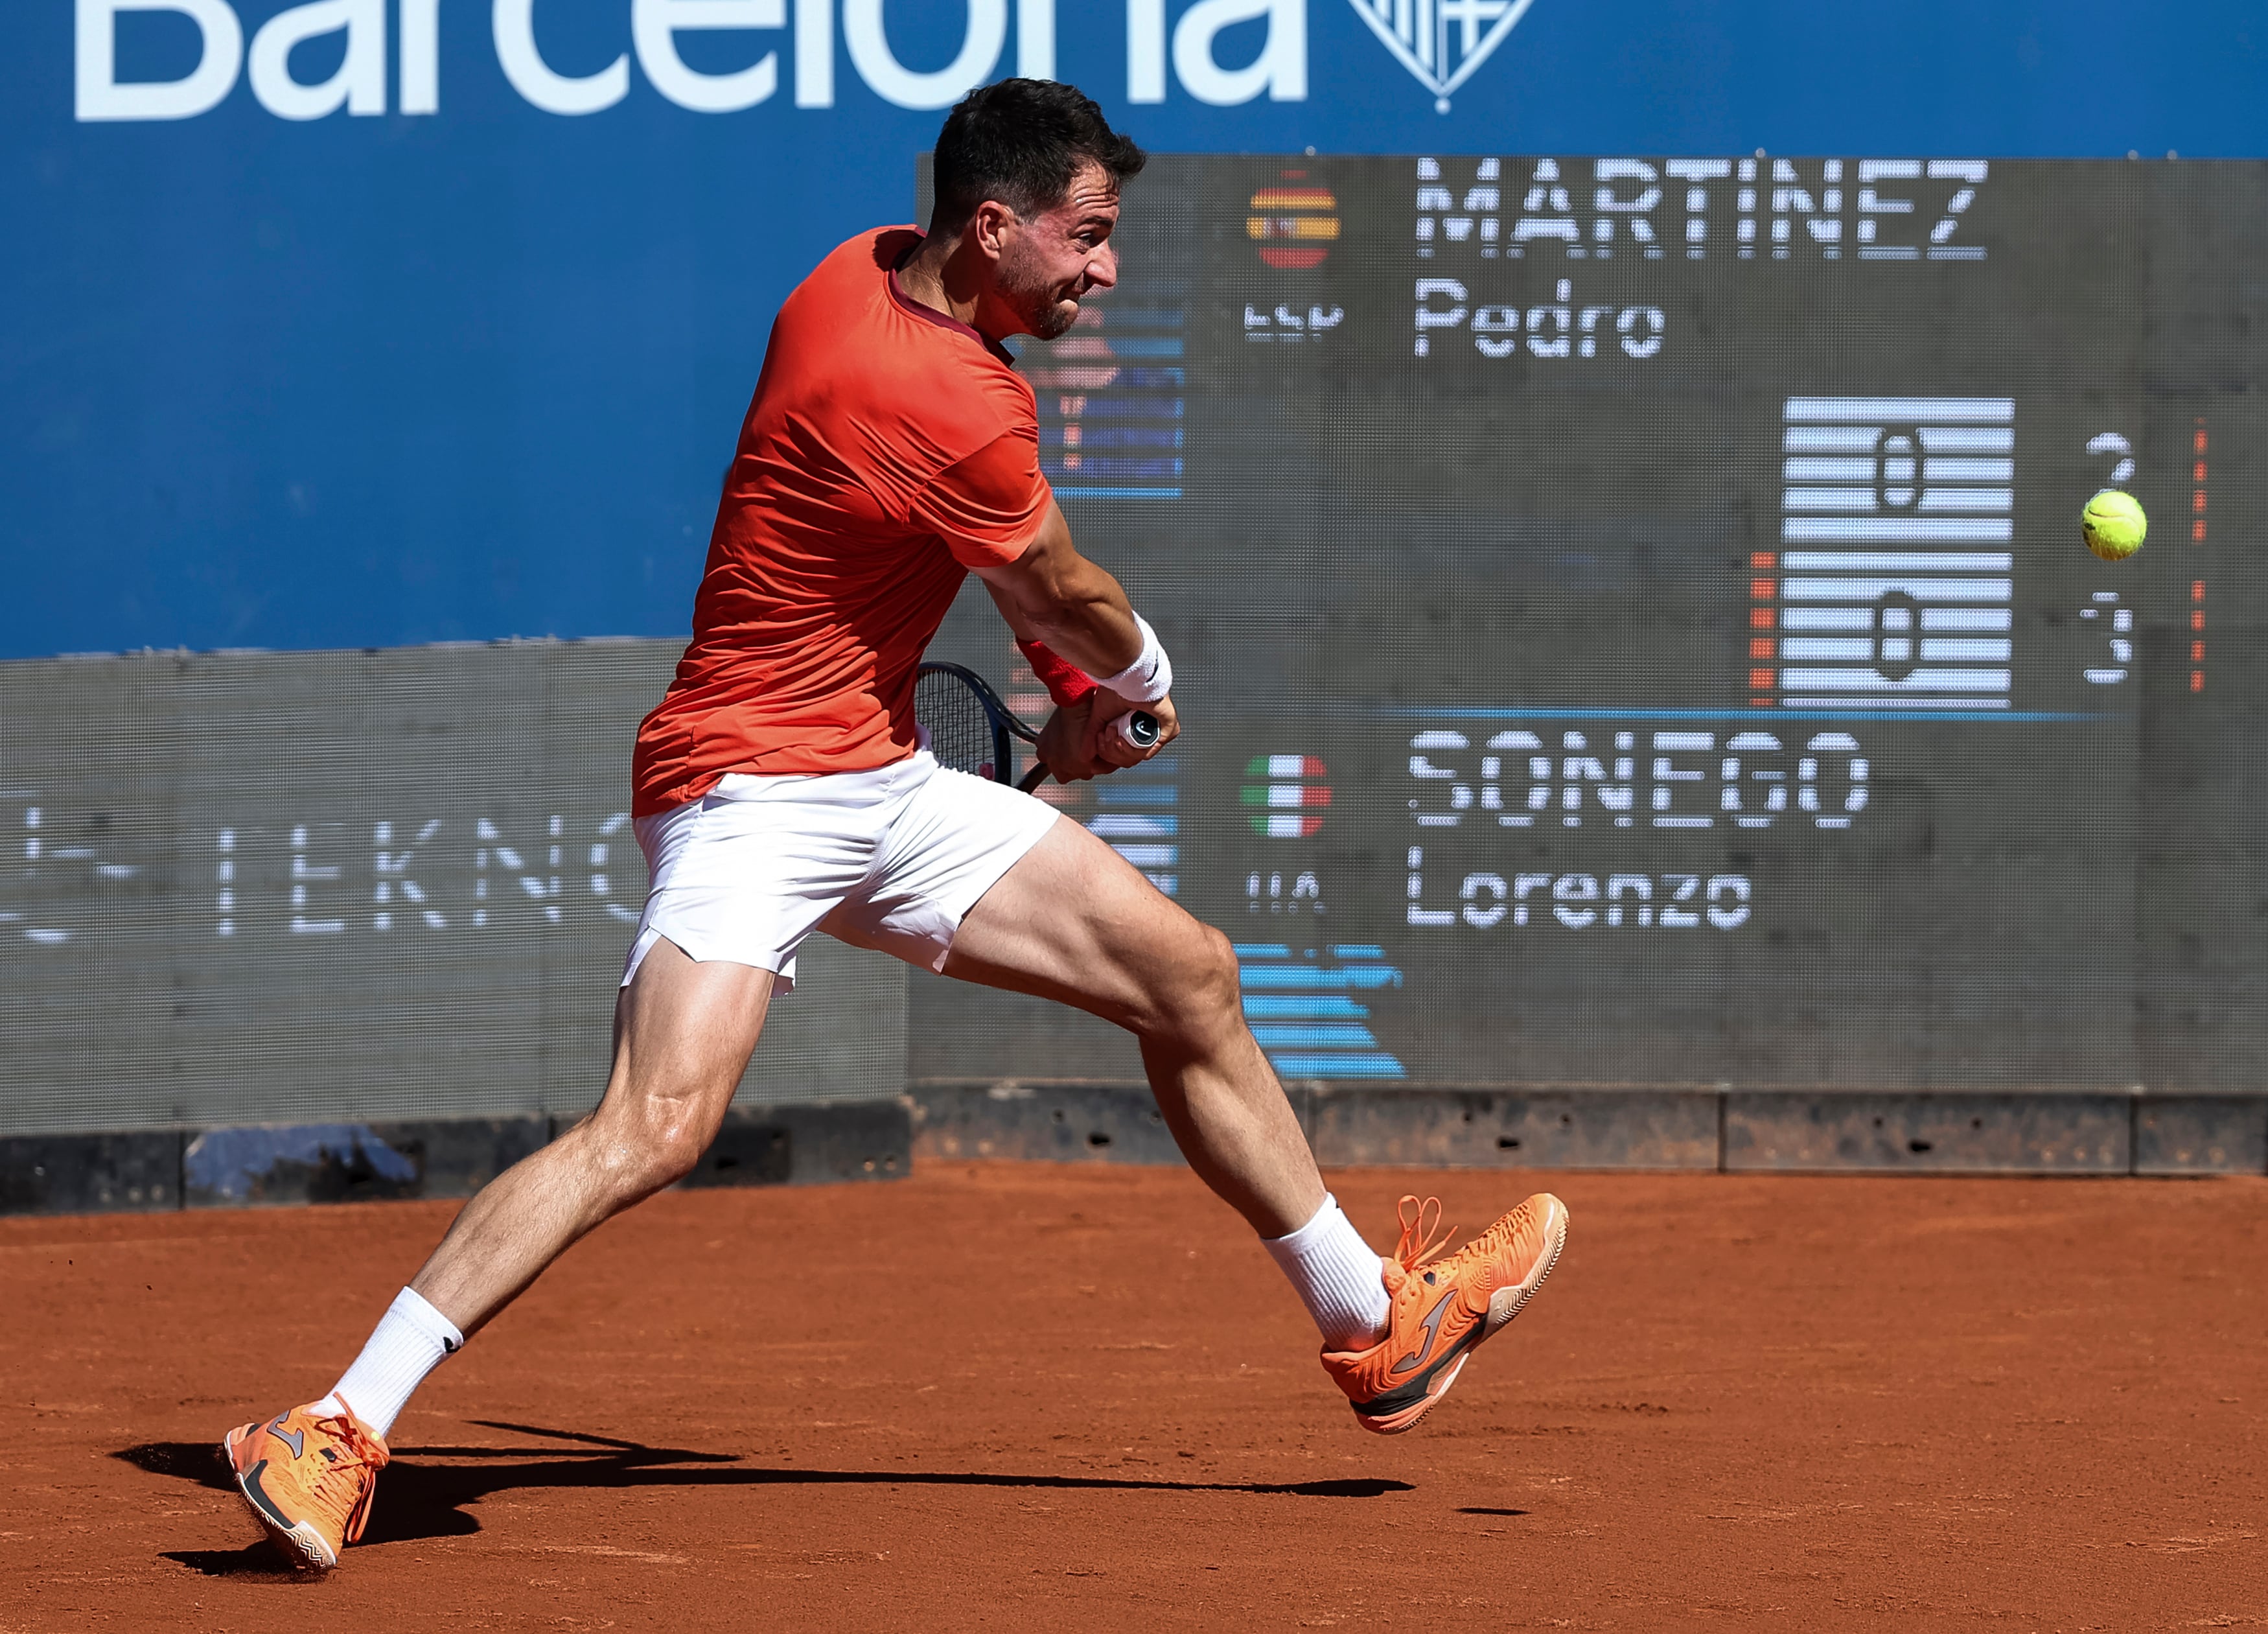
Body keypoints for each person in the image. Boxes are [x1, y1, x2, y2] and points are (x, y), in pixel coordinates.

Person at [221, 78, 1568, 1572]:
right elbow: (1060, 584)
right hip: (745, 787)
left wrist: (1072, 695)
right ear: (992, 226)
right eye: (1087, 235)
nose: (1108, 268)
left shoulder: (855, 271)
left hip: (881, 780)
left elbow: (994, 564)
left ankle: (1374, 1326)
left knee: (1188, 975)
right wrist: (1131, 684)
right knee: (655, 1125)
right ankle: (336, 1423)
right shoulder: (952, 396)